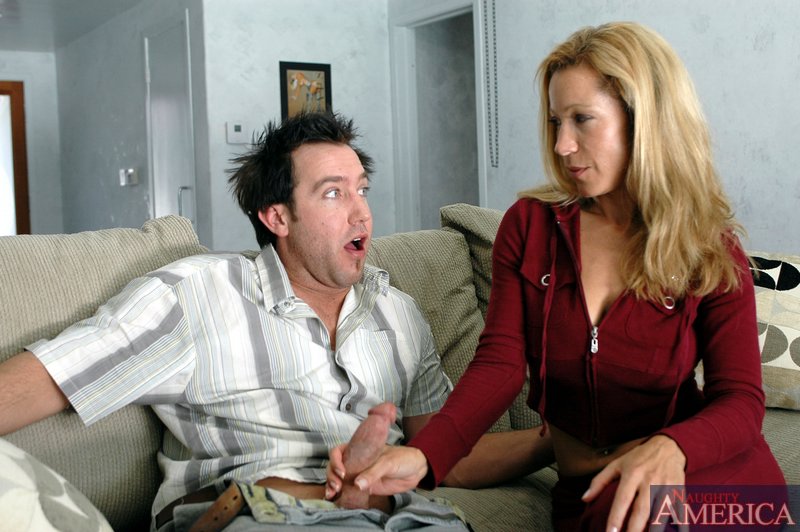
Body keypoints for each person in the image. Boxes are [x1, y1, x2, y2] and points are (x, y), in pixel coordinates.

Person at [327, 22, 787, 531]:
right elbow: (499, 365)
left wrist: (672, 446)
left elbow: (741, 399)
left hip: (712, 480)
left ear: (645, 120)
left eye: (582, 119)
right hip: (595, 493)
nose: (563, 144)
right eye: (554, 122)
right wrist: (424, 455)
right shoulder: (531, 228)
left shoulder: (709, 248)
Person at [0, 111, 551, 531]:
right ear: (277, 217)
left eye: (361, 189)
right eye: (333, 193)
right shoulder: (196, 295)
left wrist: (558, 443)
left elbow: (445, 456)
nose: (361, 211)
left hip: (399, 516)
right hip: (258, 514)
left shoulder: (396, 311)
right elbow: (42, 379)